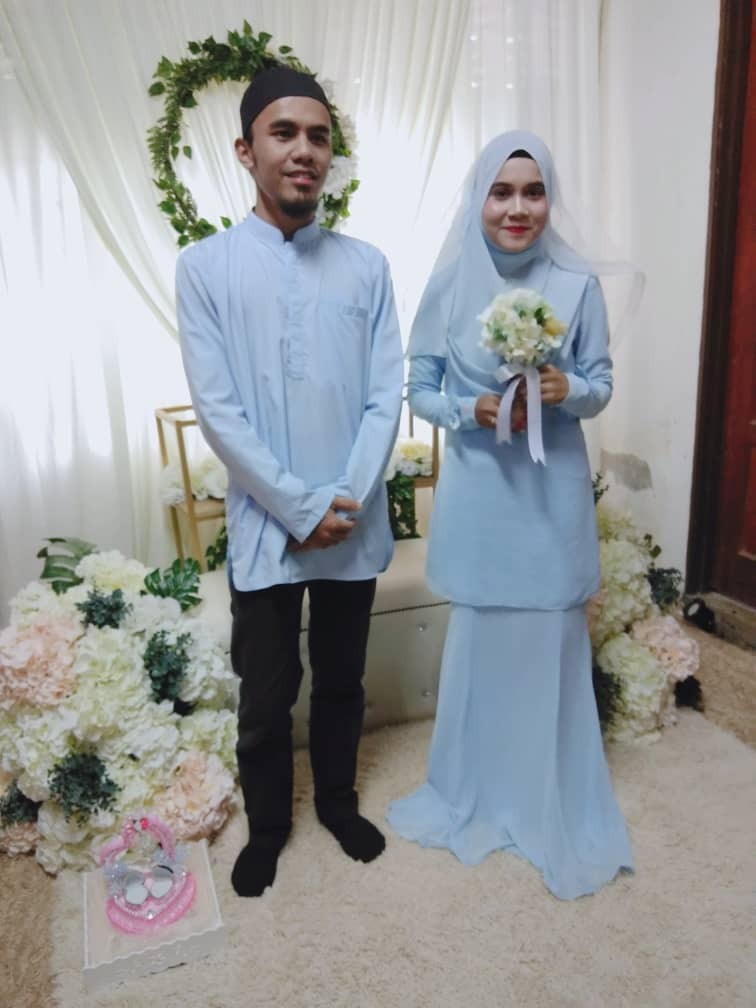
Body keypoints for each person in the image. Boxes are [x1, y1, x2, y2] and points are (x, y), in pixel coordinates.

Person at [385, 130, 634, 900]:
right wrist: (473, 409)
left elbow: (601, 382)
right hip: (481, 487)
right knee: (485, 630)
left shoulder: (576, 285)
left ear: (550, 199)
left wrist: (569, 390)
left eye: (533, 191)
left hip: (550, 488)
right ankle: (475, 785)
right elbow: (419, 386)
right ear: (479, 199)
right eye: (502, 191)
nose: (517, 208)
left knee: (550, 627)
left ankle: (545, 789)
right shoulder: (449, 282)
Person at [176, 66, 403, 897]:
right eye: (284, 133)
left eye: (318, 136)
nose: (304, 150)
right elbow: (218, 411)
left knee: (343, 680)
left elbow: (385, 395)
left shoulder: (366, 266)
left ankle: (338, 803)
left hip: (353, 517)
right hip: (268, 523)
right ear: (246, 150)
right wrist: (300, 507)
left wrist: (343, 500)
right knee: (267, 696)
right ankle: (269, 826)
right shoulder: (205, 267)